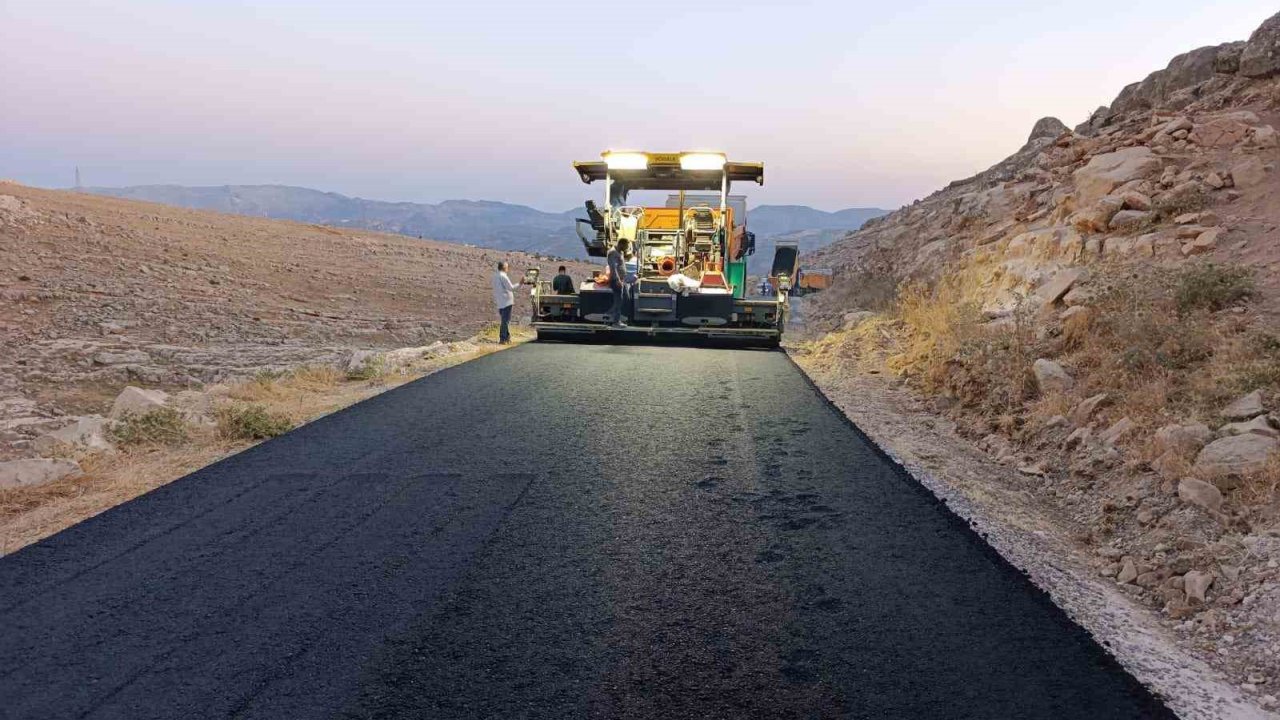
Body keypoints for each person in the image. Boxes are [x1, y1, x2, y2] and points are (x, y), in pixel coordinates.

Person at [491, 260, 523, 344]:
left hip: (500, 301)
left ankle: (507, 338)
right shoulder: (503, 276)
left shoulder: (495, 276)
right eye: (507, 267)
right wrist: (520, 283)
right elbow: (511, 288)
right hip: (507, 301)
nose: (508, 269)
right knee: (505, 321)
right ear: (504, 268)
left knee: (505, 320)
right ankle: (502, 338)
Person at [606, 238, 629, 328]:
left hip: (621, 279)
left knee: (622, 299)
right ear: (621, 244)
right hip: (616, 280)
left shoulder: (620, 252)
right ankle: (616, 321)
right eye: (626, 246)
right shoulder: (613, 252)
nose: (627, 248)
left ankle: (611, 314)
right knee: (618, 300)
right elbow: (613, 268)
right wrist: (618, 280)